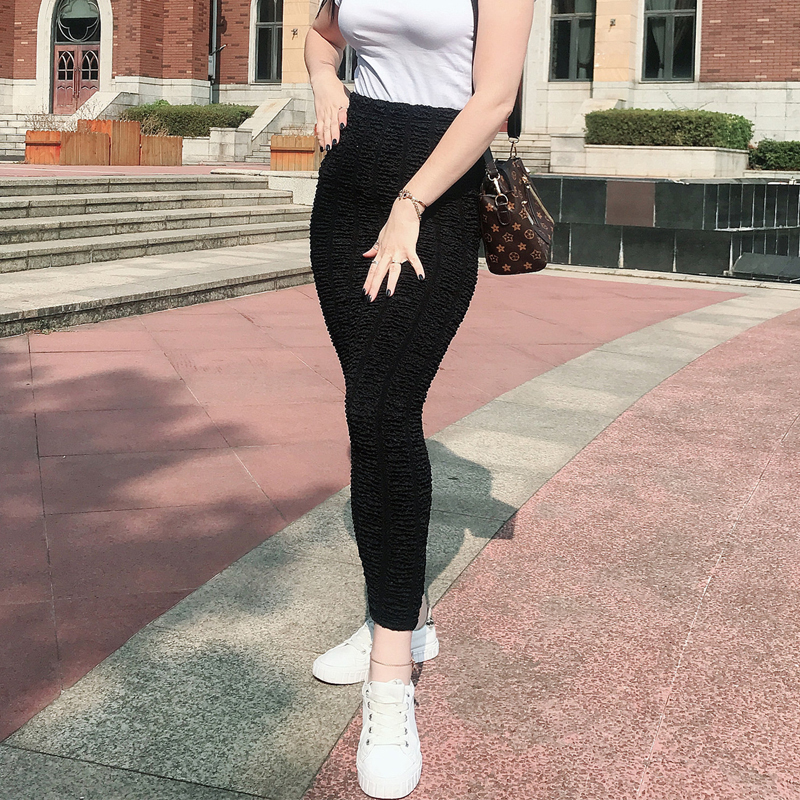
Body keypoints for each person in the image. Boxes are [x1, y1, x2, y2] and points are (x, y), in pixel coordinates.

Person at [304, 0, 534, 796]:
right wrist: (324, 80)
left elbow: (494, 98)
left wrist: (410, 204)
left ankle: (391, 679)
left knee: (384, 414)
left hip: (432, 206)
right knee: (366, 415)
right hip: (345, 201)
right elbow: (320, 34)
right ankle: (398, 619)